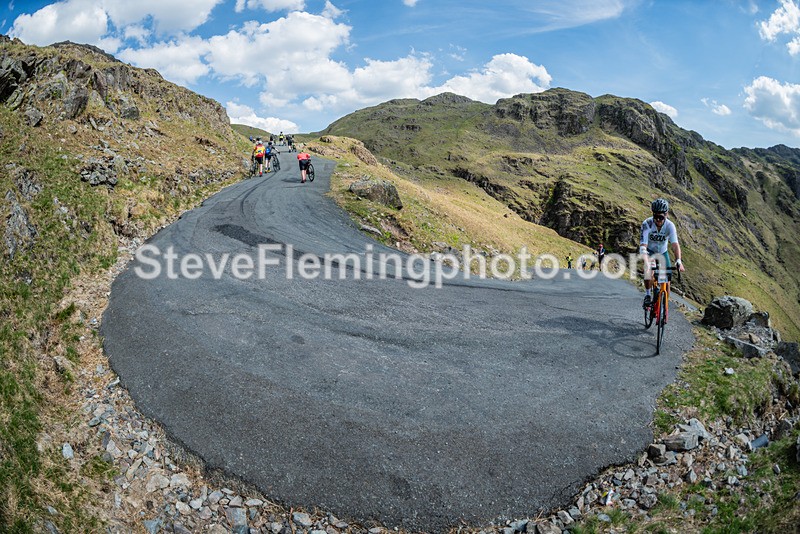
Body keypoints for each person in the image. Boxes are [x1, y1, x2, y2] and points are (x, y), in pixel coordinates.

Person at [640, 198, 685, 307]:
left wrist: (678, 260)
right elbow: (643, 246)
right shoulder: (647, 224)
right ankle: (647, 295)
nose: (659, 220)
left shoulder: (670, 226)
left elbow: (675, 245)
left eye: (661, 217)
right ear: (653, 215)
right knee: (648, 272)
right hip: (649, 251)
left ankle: (663, 307)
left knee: (667, 282)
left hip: (663, 252)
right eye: (656, 217)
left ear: (666, 214)